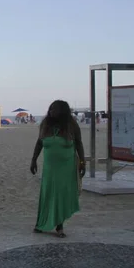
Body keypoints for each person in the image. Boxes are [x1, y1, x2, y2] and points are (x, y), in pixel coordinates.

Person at [30, 100, 85, 238]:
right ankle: (41, 223)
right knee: (47, 194)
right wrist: (34, 160)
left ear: (63, 111)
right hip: (50, 167)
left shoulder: (71, 125)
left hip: (66, 166)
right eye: (50, 109)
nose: (51, 111)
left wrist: (83, 162)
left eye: (55, 109)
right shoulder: (45, 125)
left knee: (60, 195)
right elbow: (39, 142)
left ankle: (59, 226)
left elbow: (78, 143)